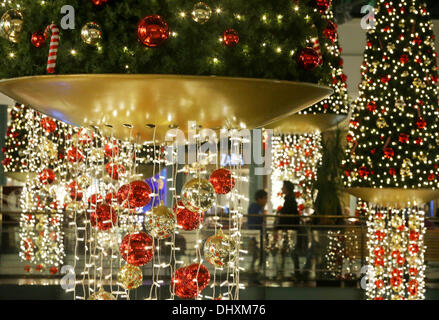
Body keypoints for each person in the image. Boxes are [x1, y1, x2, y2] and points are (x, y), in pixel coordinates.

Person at [275, 181, 302, 281]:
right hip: (290, 228)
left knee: (288, 250)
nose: (282, 189)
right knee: (291, 251)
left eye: (283, 187)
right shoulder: (291, 199)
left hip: (289, 229)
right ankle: (294, 272)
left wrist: (279, 225)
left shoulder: (289, 200)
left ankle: (283, 273)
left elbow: (287, 216)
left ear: (287, 188)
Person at [247, 190, 268, 276]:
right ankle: (256, 271)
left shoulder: (259, 208)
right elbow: (254, 222)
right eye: (265, 198)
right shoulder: (255, 207)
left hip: (259, 235)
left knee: (259, 254)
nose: (266, 200)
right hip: (256, 234)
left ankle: (256, 270)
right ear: (259, 199)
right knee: (258, 254)